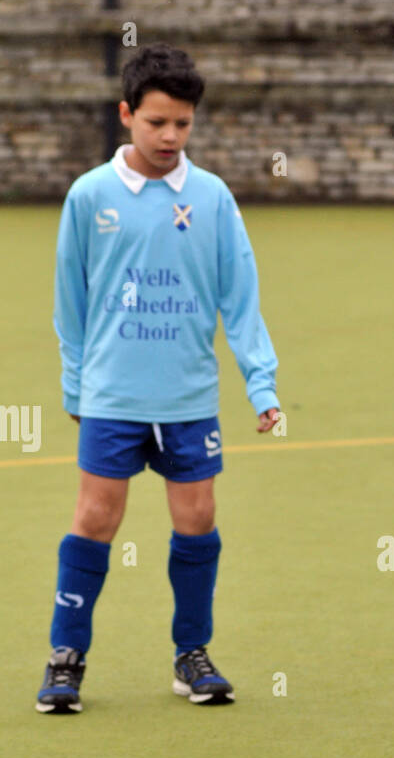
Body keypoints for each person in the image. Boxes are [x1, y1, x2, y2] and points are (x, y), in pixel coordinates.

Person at [38, 43, 280, 713]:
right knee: (94, 517)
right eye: (156, 123)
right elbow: (71, 302)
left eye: (182, 123)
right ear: (126, 116)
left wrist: (261, 384)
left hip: (187, 397)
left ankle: (190, 654)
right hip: (112, 394)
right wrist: (74, 389)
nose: (170, 136)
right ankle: (65, 659)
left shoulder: (210, 197)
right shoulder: (90, 196)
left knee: (198, 518)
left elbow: (240, 295)